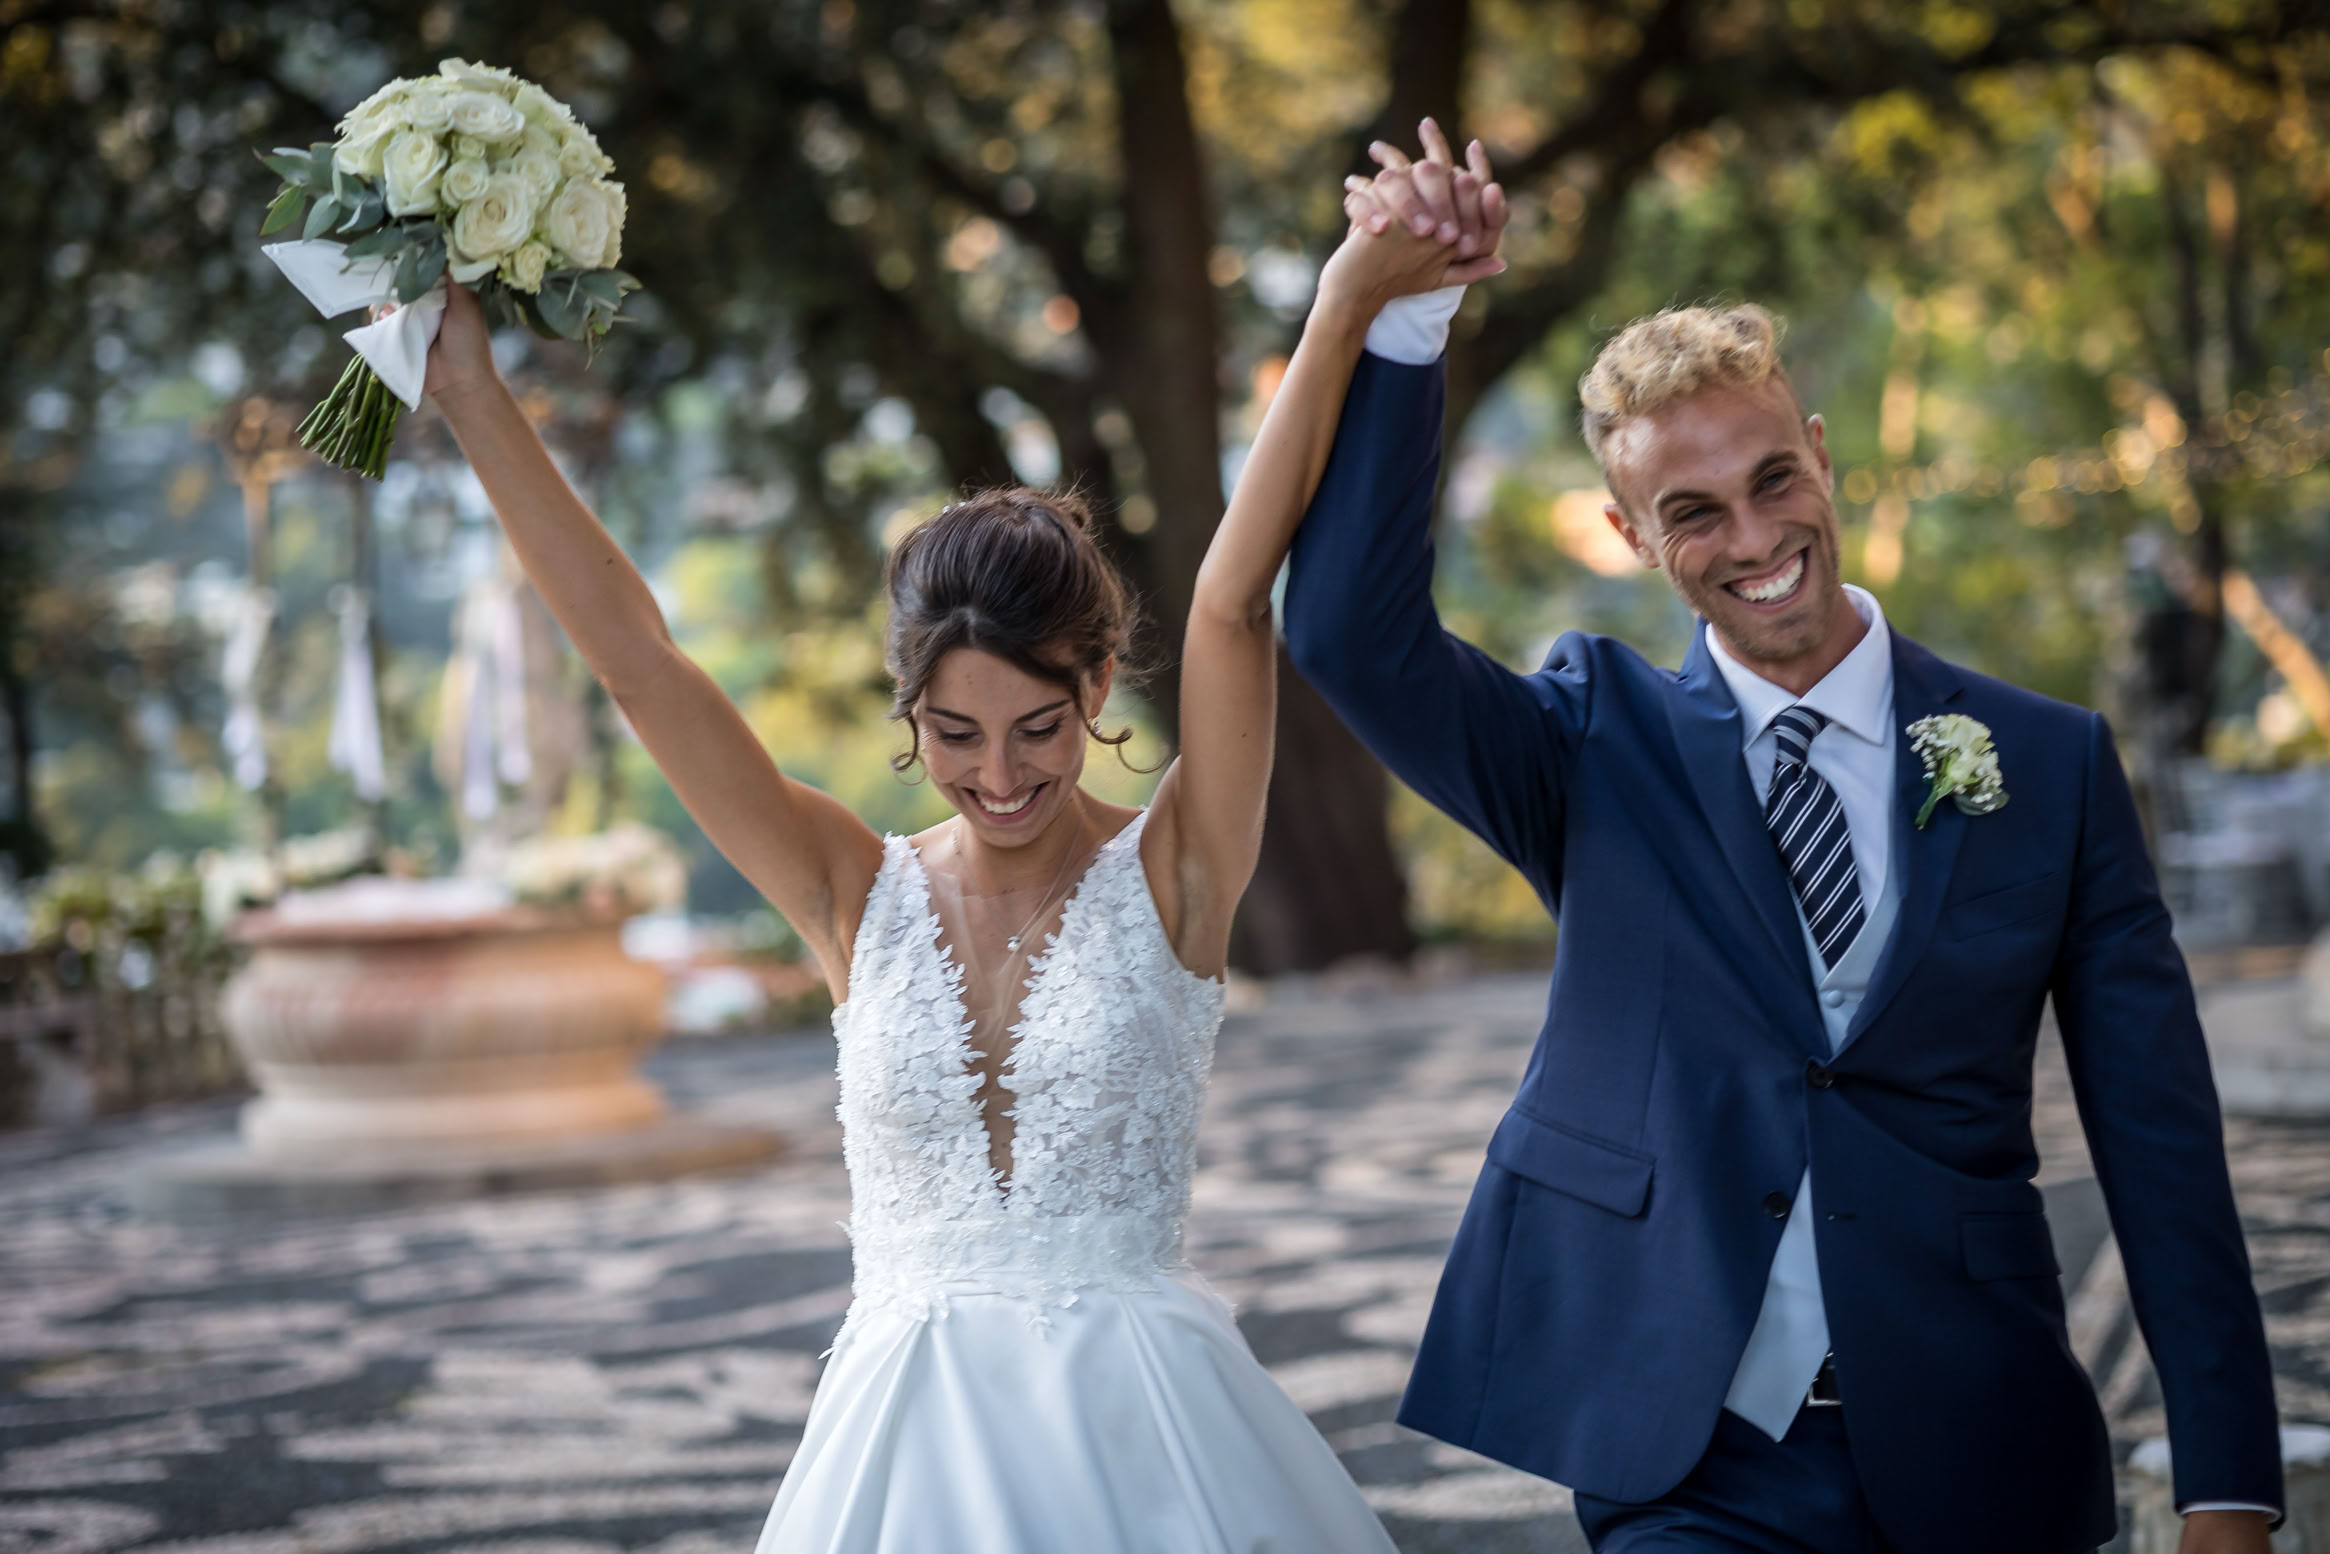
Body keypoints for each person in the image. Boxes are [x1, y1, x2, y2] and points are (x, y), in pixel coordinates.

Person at [417, 154, 1501, 1552]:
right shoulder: (844, 888)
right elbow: (641, 668)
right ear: (907, 712)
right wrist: (468, 394)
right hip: (897, 1451)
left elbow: (1233, 601)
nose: (1001, 775)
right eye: (954, 731)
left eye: (1039, 727)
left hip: (1148, 1446)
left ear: (1101, 682)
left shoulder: (1177, 873)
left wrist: (1346, 297)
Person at [1295, 124, 2284, 1554]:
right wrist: (1403, 319)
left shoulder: (2048, 764)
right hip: (1690, 1455)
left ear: (1818, 454)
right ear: (1630, 532)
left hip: (1980, 1443)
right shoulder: (1587, 743)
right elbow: (1341, 634)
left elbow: (2159, 1140)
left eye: (1771, 478)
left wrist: (2226, 1488)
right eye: (1689, 511)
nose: (1752, 535)